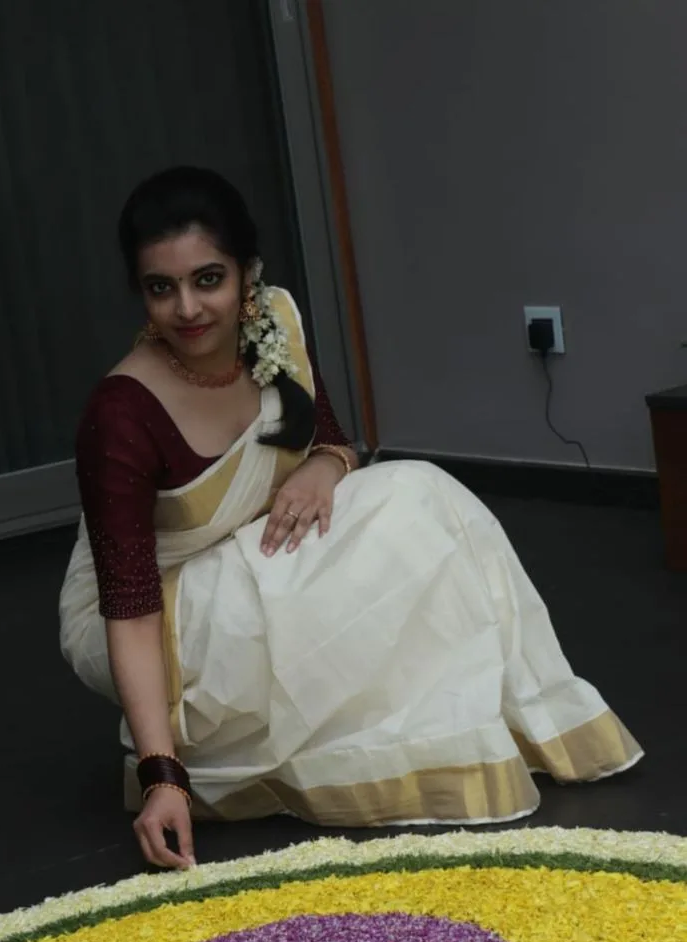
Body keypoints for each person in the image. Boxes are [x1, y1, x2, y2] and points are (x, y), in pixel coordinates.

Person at [60, 166, 642, 869]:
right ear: (140, 291)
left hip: (245, 550)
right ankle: (245, 740)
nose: (188, 308)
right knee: (373, 549)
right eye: (162, 287)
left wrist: (322, 466)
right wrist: (160, 775)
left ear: (247, 274)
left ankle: (500, 721)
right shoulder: (121, 413)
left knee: (423, 494)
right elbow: (128, 604)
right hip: (154, 614)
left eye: (207, 279)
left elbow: (334, 439)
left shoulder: (270, 325)